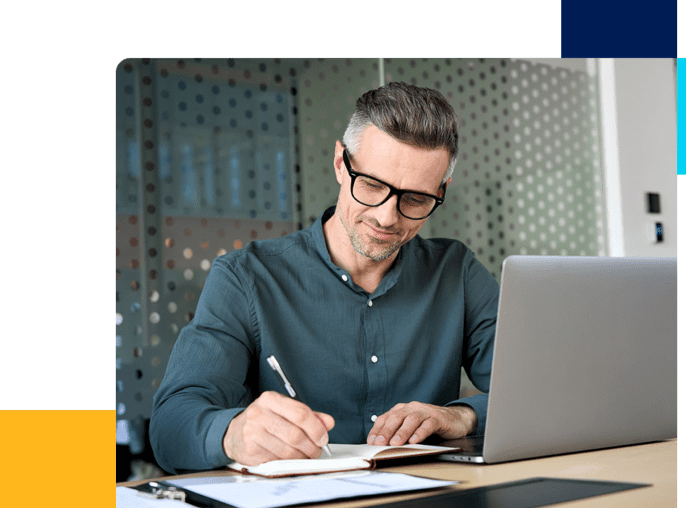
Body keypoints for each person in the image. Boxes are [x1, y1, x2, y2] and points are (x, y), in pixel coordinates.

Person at [149, 82, 499, 474]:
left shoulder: (457, 273)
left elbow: (541, 396)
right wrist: (232, 434)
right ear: (339, 162)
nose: (386, 217)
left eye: (415, 199)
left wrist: (463, 416)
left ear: (441, 191)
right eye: (372, 185)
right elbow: (170, 426)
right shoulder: (245, 279)